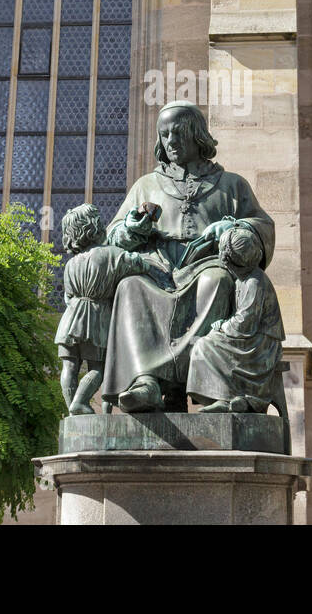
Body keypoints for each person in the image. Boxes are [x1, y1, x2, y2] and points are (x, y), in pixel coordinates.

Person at [100, 101, 275, 413]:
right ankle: (146, 381)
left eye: (179, 133)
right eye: (165, 134)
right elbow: (113, 235)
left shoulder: (231, 184)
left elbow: (261, 227)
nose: (171, 141)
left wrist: (232, 227)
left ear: (198, 136)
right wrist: (132, 228)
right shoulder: (147, 185)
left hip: (207, 262)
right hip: (156, 267)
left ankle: (207, 385)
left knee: (217, 281)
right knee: (130, 288)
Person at [55, 204, 152, 414]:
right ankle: (80, 402)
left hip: (70, 317)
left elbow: (67, 297)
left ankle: (73, 411)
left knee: (69, 367)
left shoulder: (71, 264)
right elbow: (140, 264)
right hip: (96, 317)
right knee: (99, 368)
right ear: (94, 226)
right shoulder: (111, 254)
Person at [187, 225, 284, 413]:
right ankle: (225, 397)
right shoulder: (244, 279)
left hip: (260, 346)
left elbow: (245, 323)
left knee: (204, 345)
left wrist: (222, 326)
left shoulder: (254, 282)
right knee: (203, 343)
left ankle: (230, 397)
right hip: (251, 339)